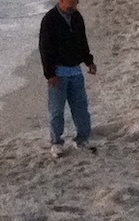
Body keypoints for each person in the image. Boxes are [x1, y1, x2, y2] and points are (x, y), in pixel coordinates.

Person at [39, 0, 97, 158]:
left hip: (76, 71)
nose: (74, 6)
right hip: (58, 72)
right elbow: (44, 48)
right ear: (61, 0)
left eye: (76, 2)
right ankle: (56, 142)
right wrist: (50, 74)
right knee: (56, 111)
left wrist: (89, 61)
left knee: (81, 109)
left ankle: (82, 139)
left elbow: (82, 41)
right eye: (71, 2)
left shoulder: (77, 17)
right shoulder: (49, 19)